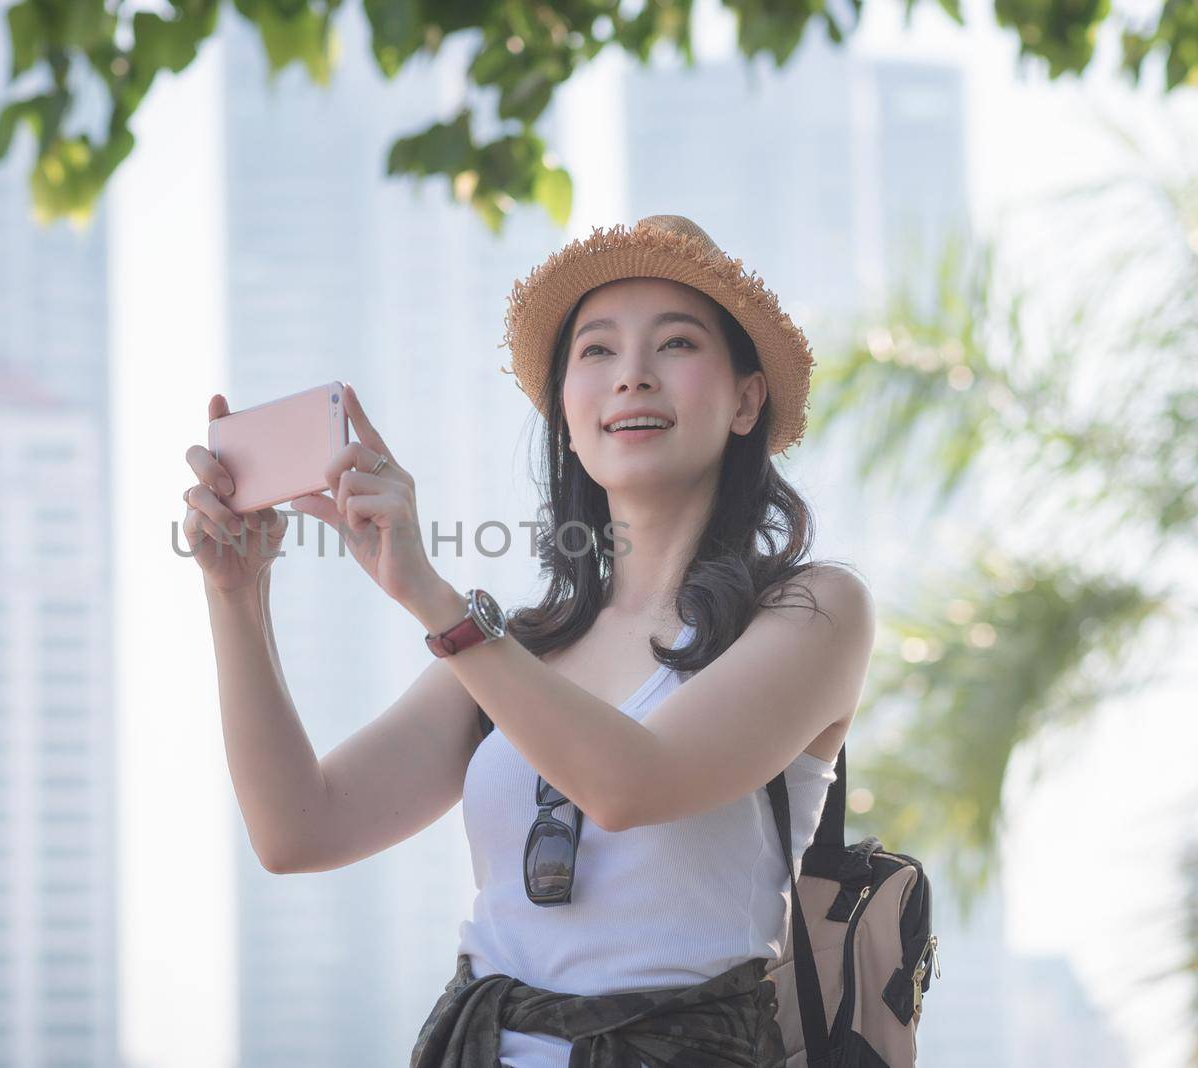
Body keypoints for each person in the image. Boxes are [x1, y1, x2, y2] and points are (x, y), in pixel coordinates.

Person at [180, 214, 876, 1067]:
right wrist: (237, 593)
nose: (632, 378)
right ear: (568, 416)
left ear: (745, 400)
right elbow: (297, 830)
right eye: (596, 352)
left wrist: (434, 599)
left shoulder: (813, 610)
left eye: (677, 344)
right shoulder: (520, 650)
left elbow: (630, 782)